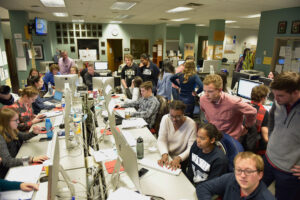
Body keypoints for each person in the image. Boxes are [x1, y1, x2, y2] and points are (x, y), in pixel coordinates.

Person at [263, 72, 300, 200]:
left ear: (295, 92)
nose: (276, 99)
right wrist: (272, 138)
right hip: (268, 159)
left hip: (289, 172)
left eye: (280, 95)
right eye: (274, 95)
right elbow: (271, 119)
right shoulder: (278, 102)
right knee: (254, 191)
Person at [196, 152, 275, 200]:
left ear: (260, 175)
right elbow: (203, 187)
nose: (242, 175)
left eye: (248, 171)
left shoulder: (266, 198)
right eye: (239, 170)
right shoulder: (231, 178)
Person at [200, 74, 257, 140]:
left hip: (231, 137)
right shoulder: (203, 99)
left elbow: (253, 111)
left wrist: (247, 126)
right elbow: (205, 112)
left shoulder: (233, 102)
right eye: (204, 91)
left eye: (210, 91)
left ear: (220, 90)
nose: (206, 95)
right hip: (215, 134)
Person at [0, 108, 48, 178]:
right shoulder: (1, 137)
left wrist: (34, 132)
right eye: (15, 120)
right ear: (6, 122)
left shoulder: (11, 129)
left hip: (17, 161)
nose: (18, 122)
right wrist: (31, 159)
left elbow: (23, 136)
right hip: (8, 172)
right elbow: (7, 161)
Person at [157, 100, 196, 171]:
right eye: (171, 116)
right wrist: (164, 154)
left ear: (183, 114)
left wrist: (179, 158)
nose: (174, 120)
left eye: (178, 117)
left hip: (181, 158)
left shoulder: (191, 124)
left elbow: (191, 148)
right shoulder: (166, 118)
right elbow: (162, 140)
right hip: (166, 154)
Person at [241, 84, 269, 154]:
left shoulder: (243, 105)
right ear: (263, 98)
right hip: (253, 148)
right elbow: (265, 137)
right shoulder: (264, 112)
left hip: (239, 141)